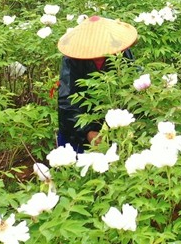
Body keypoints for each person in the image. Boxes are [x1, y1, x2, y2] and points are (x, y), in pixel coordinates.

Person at [56, 15, 138, 152]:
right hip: (81, 125)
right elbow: (68, 100)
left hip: (113, 123)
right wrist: (87, 132)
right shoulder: (72, 59)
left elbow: (132, 82)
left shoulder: (121, 51)